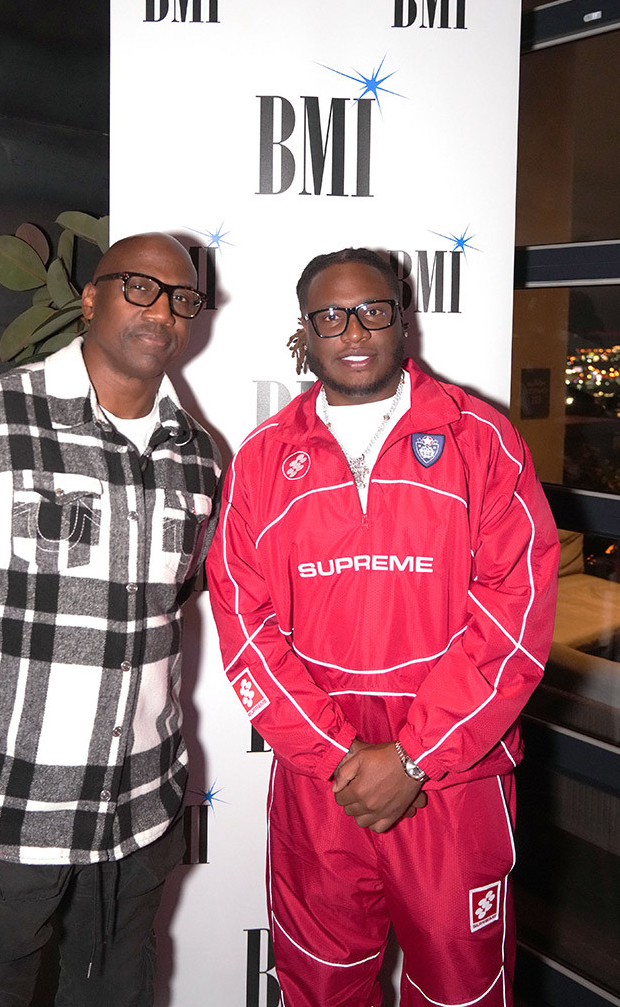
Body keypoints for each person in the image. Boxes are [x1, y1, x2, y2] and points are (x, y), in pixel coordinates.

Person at [0, 232, 221, 1007]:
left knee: (114, 991)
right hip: (7, 796)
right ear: (90, 299)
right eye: (139, 287)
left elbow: (173, 604)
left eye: (183, 299)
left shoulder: (198, 455)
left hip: (138, 806)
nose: (162, 311)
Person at [206, 247, 559, 1007]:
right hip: (321, 784)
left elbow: (517, 615)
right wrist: (340, 757)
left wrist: (414, 758)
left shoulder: (481, 440)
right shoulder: (262, 459)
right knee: (321, 990)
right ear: (304, 333)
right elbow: (243, 622)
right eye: (330, 316)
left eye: (372, 310)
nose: (353, 330)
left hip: (453, 780)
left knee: (461, 993)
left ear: (403, 321)